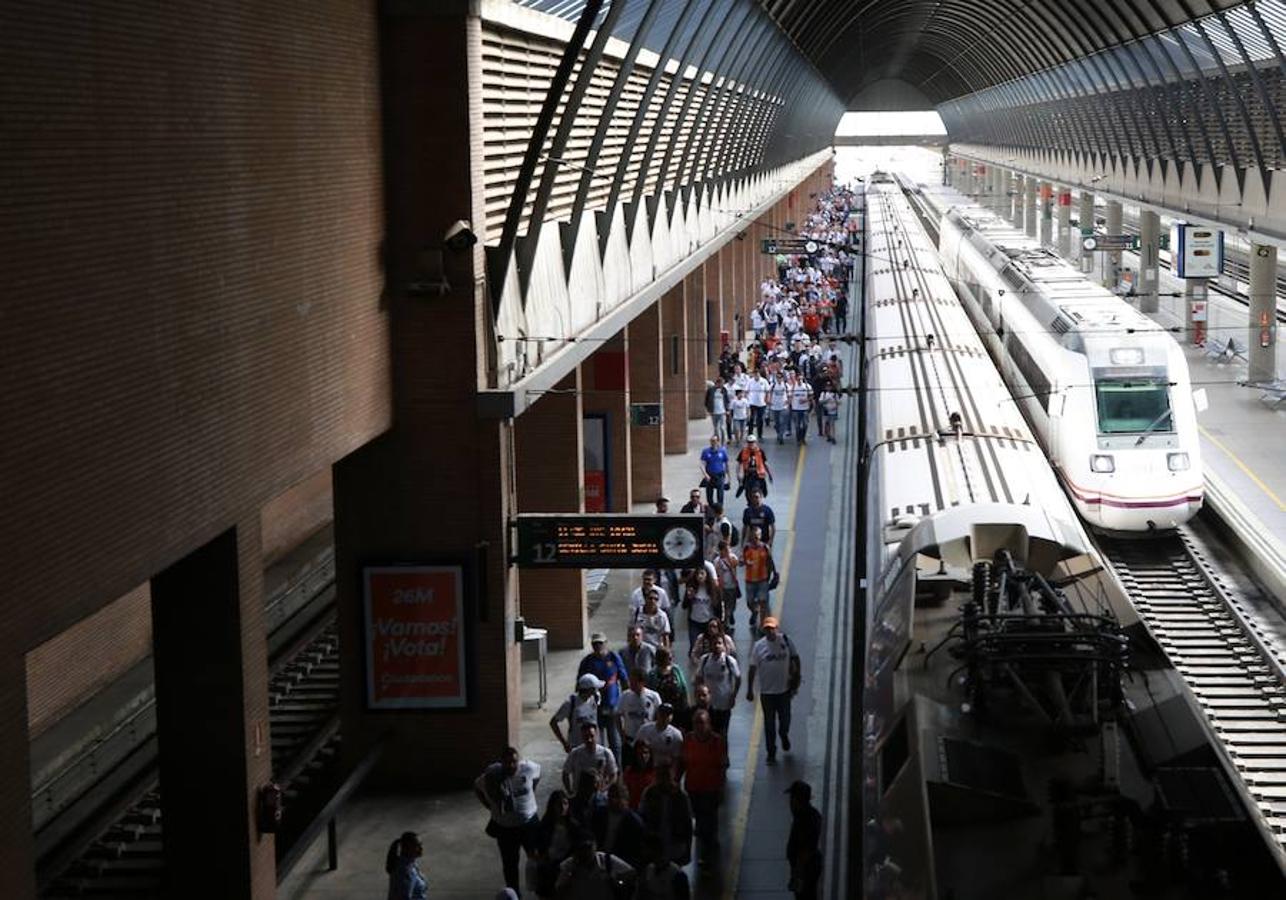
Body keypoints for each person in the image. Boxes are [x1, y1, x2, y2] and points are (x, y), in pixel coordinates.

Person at [474, 747, 542, 894]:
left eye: (514, 762)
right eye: (507, 763)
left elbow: (537, 777)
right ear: (501, 763)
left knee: (536, 858)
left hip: (529, 824)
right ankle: (514, 895)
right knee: (510, 864)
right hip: (505, 829)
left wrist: (529, 796)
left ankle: (539, 890)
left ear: (519, 761)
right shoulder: (492, 775)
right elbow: (477, 787)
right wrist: (489, 805)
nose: (511, 766)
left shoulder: (529, 768)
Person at [746, 617, 801, 765]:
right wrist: (750, 689)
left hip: (784, 691)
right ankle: (771, 752)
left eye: (772, 628)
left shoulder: (786, 641)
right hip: (767, 693)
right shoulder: (759, 647)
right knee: (769, 725)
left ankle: (784, 734)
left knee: (785, 720)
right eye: (767, 629)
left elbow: (795, 659)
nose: (770, 631)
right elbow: (752, 668)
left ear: (777, 628)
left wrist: (796, 679)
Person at [682, 710, 728, 866]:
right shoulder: (688, 739)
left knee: (709, 821)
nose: (699, 726)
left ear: (709, 724)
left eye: (702, 723)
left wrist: (721, 788)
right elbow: (683, 762)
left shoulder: (716, 741)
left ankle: (709, 852)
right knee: (699, 819)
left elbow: (722, 765)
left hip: (711, 788)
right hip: (693, 787)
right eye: (696, 723)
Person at [578, 634, 628, 763]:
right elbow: (580, 684)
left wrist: (625, 700)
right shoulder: (587, 661)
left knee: (615, 742)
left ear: (606, 643)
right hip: (594, 708)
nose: (598, 646)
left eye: (600, 643)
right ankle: (600, 767)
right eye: (595, 644)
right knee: (597, 741)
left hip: (612, 706)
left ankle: (616, 770)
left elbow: (623, 679)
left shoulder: (614, 658)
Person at [638, 763, 693, 868]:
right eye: (660, 776)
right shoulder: (649, 793)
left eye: (666, 776)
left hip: (675, 844)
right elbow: (642, 818)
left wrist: (687, 850)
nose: (663, 780)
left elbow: (688, 824)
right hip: (654, 843)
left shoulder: (681, 796)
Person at [554, 835, 634, 899]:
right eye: (582, 848)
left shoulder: (606, 860)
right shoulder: (569, 864)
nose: (585, 852)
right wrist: (570, 875)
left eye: (588, 847)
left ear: (595, 846)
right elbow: (559, 889)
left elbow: (631, 873)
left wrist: (615, 880)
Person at [693, 635, 742, 737]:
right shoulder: (704, 660)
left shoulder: (729, 661)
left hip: (723, 704)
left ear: (724, 645)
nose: (717, 646)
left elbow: (738, 678)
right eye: (714, 643)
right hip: (708, 704)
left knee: (722, 733)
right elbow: (698, 677)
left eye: (719, 643)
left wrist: (733, 696)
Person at [532, 791, 576, 897]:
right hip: (548, 867)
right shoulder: (546, 824)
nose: (562, 807)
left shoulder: (573, 826)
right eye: (559, 804)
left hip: (565, 868)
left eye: (565, 803)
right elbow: (539, 845)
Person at [592, 782, 646, 867]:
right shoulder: (599, 814)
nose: (613, 800)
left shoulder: (634, 822)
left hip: (621, 863)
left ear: (626, 799)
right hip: (599, 860)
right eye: (611, 796)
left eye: (617, 797)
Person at [616, 668, 662, 766]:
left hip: (647, 741)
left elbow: (659, 716)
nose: (631, 683)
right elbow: (617, 715)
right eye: (630, 680)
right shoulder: (625, 696)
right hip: (629, 740)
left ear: (642, 682)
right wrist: (621, 734)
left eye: (634, 681)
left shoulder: (653, 696)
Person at [786, 781, 823, 900]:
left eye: (792, 799)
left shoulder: (802, 820)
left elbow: (805, 851)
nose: (790, 803)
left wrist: (797, 875)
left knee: (804, 896)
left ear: (796, 801)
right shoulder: (813, 814)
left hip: (804, 869)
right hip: (809, 866)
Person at [550, 673, 604, 753]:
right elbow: (553, 722)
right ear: (589, 690)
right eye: (594, 689)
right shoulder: (570, 703)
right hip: (576, 747)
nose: (597, 691)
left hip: (594, 746)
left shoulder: (596, 698)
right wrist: (564, 743)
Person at [562, 722, 619, 793]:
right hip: (580, 794)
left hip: (599, 796)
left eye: (592, 736)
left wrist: (605, 789)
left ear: (596, 735)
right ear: (582, 737)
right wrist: (570, 792)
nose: (589, 740)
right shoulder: (575, 754)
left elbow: (614, 775)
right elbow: (565, 773)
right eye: (586, 737)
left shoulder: (606, 753)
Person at [680, 565, 722, 657]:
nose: (700, 576)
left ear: (707, 575)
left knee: (710, 647)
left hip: (709, 622)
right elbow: (684, 606)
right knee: (694, 646)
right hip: (694, 621)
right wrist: (689, 597)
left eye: (702, 573)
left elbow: (719, 608)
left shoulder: (713, 590)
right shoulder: (692, 588)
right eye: (698, 574)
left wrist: (719, 623)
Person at [740, 527, 777, 631]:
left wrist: (773, 574)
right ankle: (754, 611)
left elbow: (770, 561)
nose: (756, 538)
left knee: (763, 602)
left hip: (762, 579)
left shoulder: (765, 548)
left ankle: (761, 625)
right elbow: (741, 560)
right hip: (750, 580)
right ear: (751, 536)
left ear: (760, 536)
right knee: (749, 602)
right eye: (755, 536)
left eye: (758, 536)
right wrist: (744, 562)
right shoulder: (747, 548)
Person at [646, 650, 691, 732]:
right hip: (660, 710)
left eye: (671, 657)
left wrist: (686, 705)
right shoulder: (652, 674)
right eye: (668, 657)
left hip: (677, 709)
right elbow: (649, 693)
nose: (671, 659)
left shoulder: (676, 670)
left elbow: (683, 687)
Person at [633, 702, 685, 769]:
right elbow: (636, 750)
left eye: (667, 715)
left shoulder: (676, 734)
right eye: (662, 714)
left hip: (666, 769)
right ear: (657, 714)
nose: (664, 717)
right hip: (647, 768)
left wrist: (672, 774)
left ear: (671, 717)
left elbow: (676, 757)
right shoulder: (644, 729)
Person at [385, 832, 427, 900]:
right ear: (406, 849)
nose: (421, 848)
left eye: (421, 844)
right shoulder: (405, 871)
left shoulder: (411, 863)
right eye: (417, 845)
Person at [622, 738, 657, 809]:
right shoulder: (629, 772)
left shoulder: (656, 773)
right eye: (640, 753)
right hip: (633, 810)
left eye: (646, 753)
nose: (643, 756)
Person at [735, 434, 772, 499]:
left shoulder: (760, 451)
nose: (751, 444)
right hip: (748, 475)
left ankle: (758, 501)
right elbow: (738, 464)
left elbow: (765, 463)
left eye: (752, 442)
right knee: (747, 491)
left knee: (756, 490)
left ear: (755, 442)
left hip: (758, 475)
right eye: (749, 442)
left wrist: (769, 474)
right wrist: (738, 474)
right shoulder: (743, 451)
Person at [713, 540, 739, 630]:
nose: (728, 550)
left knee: (732, 604)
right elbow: (716, 573)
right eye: (726, 549)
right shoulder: (717, 561)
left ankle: (730, 614)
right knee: (724, 605)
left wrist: (728, 558)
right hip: (722, 587)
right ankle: (726, 622)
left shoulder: (732, 557)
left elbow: (736, 564)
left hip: (732, 586)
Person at [699, 434, 729, 507]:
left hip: (719, 475)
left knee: (720, 495)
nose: (713, 443)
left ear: (718, 441)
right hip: (710, 475)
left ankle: (720, 510)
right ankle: (711, 509)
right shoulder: (706, 451)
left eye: (715, 441)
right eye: (712, 441)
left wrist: (728, 477)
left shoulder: (722, 451)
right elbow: (702, 464)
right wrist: (705, 475)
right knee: (709, 495)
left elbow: (726, 464)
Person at [789, 368, 814, 445]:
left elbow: (811, 396)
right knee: (797, 425)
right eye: (798, 379)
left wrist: (806, 400)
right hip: (796, 409)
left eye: (801, 379)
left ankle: (803, 438)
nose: (800, 380)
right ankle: (798, 439)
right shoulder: (793, 387)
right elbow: (790, 396)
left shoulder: (807, 386)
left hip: (804, 409)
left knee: (805, 424)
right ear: (796, 379)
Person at [746, 367, 770, 439]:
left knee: (760, 420)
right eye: (755, 374)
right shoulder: (750, 381)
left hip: (761, 403)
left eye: (757, 374)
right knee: (751, 419)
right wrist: (748, 400)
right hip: (752, 403)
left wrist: (767, 399)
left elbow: (767, 391)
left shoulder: (764, 381)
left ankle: (760, 435)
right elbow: (746, 391)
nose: (756, 375)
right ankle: (750, 434)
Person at [704, 378, 729, 443]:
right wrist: (708, 409)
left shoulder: (724, 390)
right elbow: (706, 400)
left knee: (722, 428)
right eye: (721, 383)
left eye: (723, 383)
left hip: (722, 412)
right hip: (714, 412)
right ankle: (717, 440)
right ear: (717, 383)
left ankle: (723, 442)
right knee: (715, 428)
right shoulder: (711, 390)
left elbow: (727, 400)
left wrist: (727, 409)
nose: (722, 385)